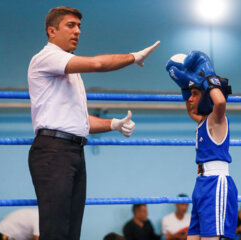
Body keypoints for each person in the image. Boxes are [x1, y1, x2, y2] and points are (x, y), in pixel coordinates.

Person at [27, 6, 160, 240]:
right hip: (53, 151)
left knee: (71, 232)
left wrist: (114, 124)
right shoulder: (47, 57)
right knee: (55, 232)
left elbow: (78, 121)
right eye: (70, 25)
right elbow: (98, 64)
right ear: (51, 31)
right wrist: (133, 57)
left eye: (79, 26)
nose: (77, 31)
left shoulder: (70, 73)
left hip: (73, 151)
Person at [166, 51, 237, 240]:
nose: (190, 98)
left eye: (195, 94)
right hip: (201, 185)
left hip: (216, 184)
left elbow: (220, 101)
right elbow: (190, 109)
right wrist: (186, 85)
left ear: (206, 96)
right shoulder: (201, 121)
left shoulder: (217, 120)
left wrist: (208, 78)